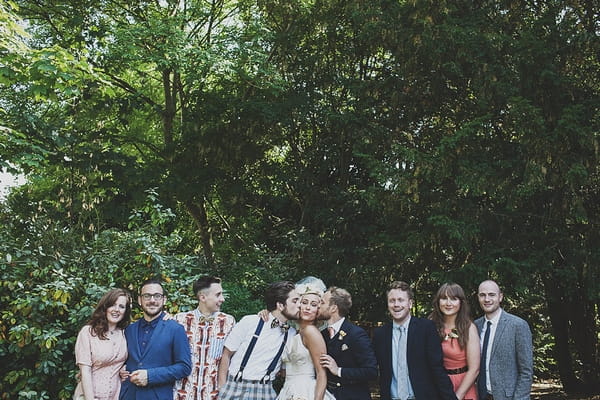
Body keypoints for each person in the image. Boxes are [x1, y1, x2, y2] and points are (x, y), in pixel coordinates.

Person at [373, 281, 457, 400]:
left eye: (401, 300)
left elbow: (437, 369)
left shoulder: (426, 329)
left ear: (410, 303)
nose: (396, 304)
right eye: (392, 300)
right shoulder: (380, 334)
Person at [217, 281, 300, 400]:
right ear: (280, 305)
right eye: (295, 301)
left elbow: (285, 369)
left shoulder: (291, 334)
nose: (299, 305)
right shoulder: (250, 322)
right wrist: (222, 387)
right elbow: (226, 354)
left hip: (265, 390)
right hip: (235, 386)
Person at [119, 279, 192, 399]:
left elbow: (184, 367)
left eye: (157, 296)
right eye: (147, 296)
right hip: (129, 395)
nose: (152, 300)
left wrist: (150, 376)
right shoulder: (129, 330)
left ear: (164, 300)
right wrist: (121, 369)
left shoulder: (175, 329)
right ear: (139, 300)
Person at [174, 276, 236, 400]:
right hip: (183, 394)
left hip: (213, 395)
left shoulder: (228, 322)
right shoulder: (179, 320)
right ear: (203, 297)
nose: (222, 299)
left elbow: (233, 358)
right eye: (218, 295)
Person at [276, 278, 335, 400]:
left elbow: (321, 374)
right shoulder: (293, 333)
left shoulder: (311, 331)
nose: (308, 307)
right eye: (304, 302)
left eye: (313, 305)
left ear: (318, 310)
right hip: (288, 389)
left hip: (306, 391)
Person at [475, 280, 533, 400]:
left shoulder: (518, 325)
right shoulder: (475, 326)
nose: (487, 299)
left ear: (500, 297)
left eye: (492, 295)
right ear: (478, 297)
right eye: (482, 295)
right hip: (480, 395)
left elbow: (526, 372)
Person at [318, 287, 378, 400]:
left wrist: (339, 371)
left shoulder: (356, 334)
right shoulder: (322, 334)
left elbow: (371, 371)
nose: (318, 306)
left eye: (322, 302)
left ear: (333, 308)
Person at [74, 288, 132, 400]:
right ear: (105, 307)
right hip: (89, 396)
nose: (116, 310)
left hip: (116, 396)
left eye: (121, 306)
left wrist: (124, 367)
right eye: (113, 305)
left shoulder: (125, 333)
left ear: (125, 311)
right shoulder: (88, 332)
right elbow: (85, 371)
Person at [429, 283, 480, 400]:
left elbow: (474, 369)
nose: (448, 303)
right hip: (437, 384)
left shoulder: (468, 328)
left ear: (461, 302)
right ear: (438, 302)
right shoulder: (431, 325)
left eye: (453, 299)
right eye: (444, 298)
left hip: (463, 386)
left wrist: (457, 397)